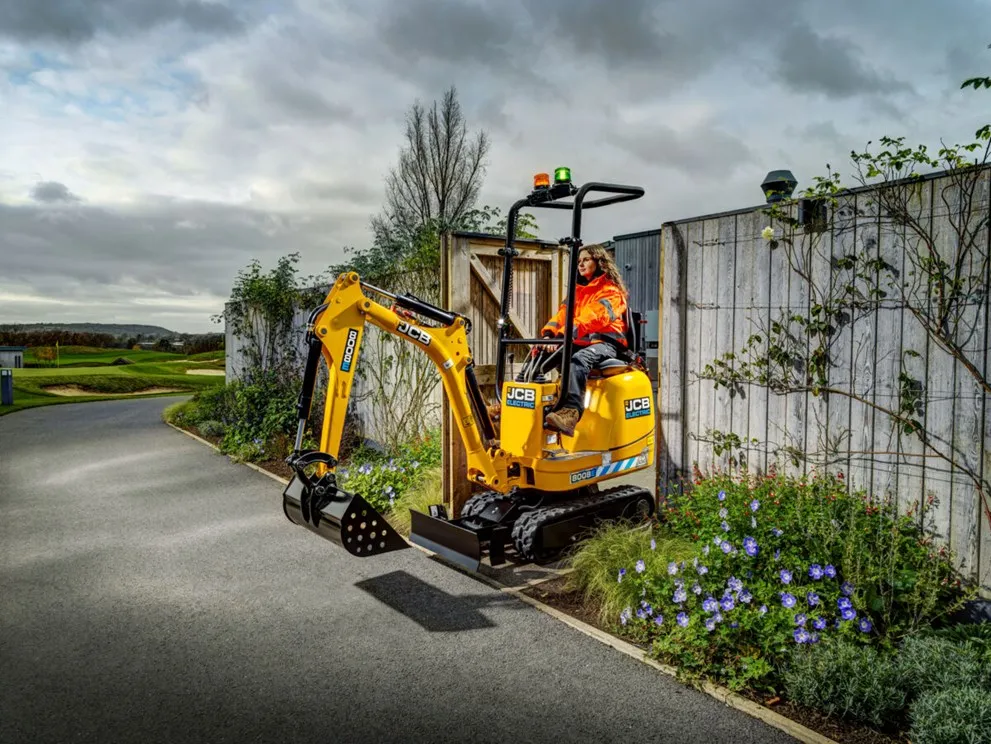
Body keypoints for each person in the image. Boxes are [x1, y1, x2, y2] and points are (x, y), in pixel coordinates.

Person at [539, 243, 630, 436]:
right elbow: (562, 315)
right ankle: (512, 405)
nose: (580, 264)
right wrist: (549, 334)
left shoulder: (612, 292)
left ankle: (570, 413)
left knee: (577, 361)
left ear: (599, 262)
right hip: (580, 341)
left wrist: (565, 334)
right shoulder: (577, 292)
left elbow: (594, 317)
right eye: (579, 261)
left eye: (586, 260)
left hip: (606, 343)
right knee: (539, 357)